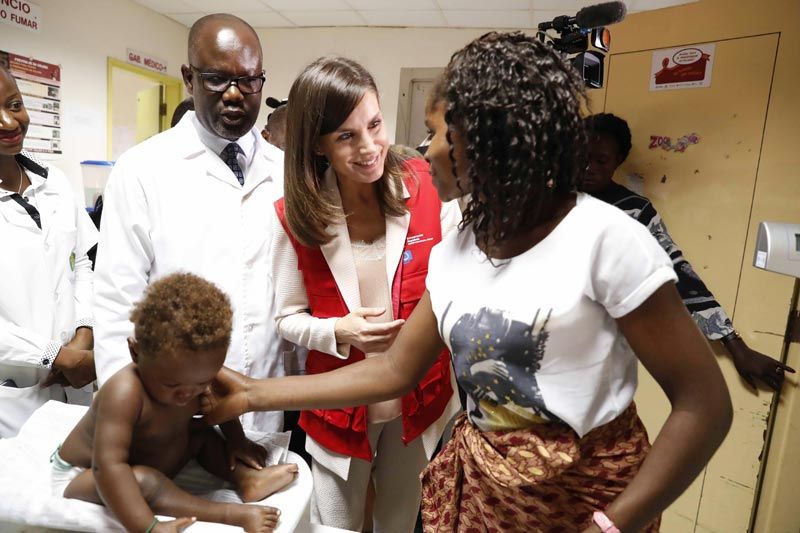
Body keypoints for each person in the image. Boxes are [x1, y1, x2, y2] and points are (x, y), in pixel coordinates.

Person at [202, 32, 734, 532]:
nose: (421, 150)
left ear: (486, 142)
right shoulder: (460, 245)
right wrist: (250, 392)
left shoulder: (606, 239)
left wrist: (615, 523)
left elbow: (705, 404)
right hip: (480, 492)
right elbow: (393, 369)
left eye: (436, 133)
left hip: (585, 500)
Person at [268, 56, 462, 532]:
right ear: (317, 144)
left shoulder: (424, 184)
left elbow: (456, 283)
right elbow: (286, 317)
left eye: (374, 124)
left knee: (398, 523)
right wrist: (338, 330)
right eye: (346, 136)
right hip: (340, 410)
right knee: (334, 525)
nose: (370, 146)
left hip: (419, 403)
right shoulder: (296, 215)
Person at [93, 14, 292, 433]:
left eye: (250, 80)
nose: (236, 94)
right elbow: (117, 303)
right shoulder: (141, 170)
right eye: (217, 79)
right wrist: (126, 416)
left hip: (274, 395)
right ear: (188, 77)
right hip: (173, 408)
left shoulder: (287, 170)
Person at [55, 273, 297, 533]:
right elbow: (109, 467)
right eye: (173, 385)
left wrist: (237, 441)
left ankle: (246, 479)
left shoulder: (190, 374)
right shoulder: (124, 392)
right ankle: (229, 513)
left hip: (145, 455)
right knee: (144, 481)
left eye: (202, 382)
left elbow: (224, 402)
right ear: (135, 352)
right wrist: (147, 527)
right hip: (87, 474)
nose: (188, 394)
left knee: (201, 435)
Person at [584, 113, 794, 391]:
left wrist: (734, 344)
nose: (588, 167)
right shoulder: (546, 200)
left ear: (618, 162)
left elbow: (675, 271)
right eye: (581, 156)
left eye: (601, 160)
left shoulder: (634, 211)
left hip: (600, 348)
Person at [0, 65, 97, 437]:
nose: (9, 122)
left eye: (15, 105)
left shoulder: (53, 181)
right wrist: (55, 353)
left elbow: (83, 262)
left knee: (79, 480)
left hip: (76, 383)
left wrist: (84, 332)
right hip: (16, 393)